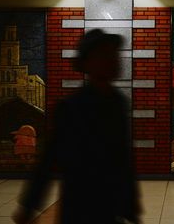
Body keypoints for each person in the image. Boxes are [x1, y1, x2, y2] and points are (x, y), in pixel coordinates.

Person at [13, 29, 141, 224]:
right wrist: (30, 205)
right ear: (87, 64)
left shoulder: (118, 103)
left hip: (111, 207)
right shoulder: (71, 107)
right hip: (79, 208)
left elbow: (124, 158)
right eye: (104, 55)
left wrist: (131, 207)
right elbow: (49, 159)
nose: (113, 59)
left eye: (114, 54)